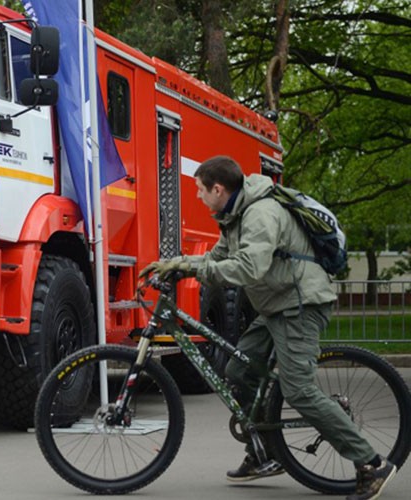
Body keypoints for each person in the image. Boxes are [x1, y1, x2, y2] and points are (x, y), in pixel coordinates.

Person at [140, 156, 396, 500]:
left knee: (299, 390)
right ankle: (267, 452)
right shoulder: (234, 216)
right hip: (277, 304)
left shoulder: (260, 214)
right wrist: (178, 264)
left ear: (219, 189)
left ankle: (371, 463)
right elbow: (215, 259)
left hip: (299, 304)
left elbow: (249, 269)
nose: (198, 197)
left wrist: (194, 271)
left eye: (200, 190)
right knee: (239, 370)